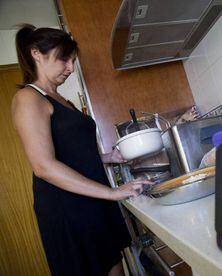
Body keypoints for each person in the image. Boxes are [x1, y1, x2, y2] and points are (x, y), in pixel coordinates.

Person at [11, 24, 152, 276]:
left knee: (113, 265)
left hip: (93, 200)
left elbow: (71, 153)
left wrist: (109, 157)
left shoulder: (62, 100)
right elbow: (44, 166)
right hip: (69, 210)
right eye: (64, 59)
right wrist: (112, 193)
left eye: (73, 61)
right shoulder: (28, 98)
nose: (71, 68)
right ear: (36, 53)